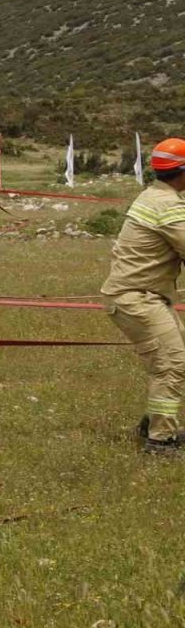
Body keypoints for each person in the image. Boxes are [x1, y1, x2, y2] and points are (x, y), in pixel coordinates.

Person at [101, 137, 185, 454]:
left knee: (175, 361)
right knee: (172, 365)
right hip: (137, 298)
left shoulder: (153, 196)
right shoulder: (168, 206)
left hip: (139, 296)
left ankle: (155, 423)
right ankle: (160, 441)